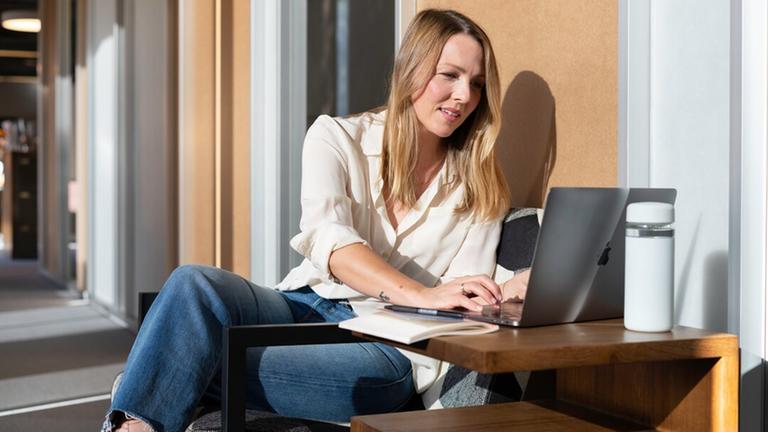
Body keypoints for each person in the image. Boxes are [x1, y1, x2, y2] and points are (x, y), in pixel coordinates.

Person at [104, 8, 530, 432]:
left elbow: (464, 295)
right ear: (411, 70)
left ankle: (150, 387)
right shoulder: (336, 137)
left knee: (187, 354)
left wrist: (507, 291)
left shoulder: (481, 187)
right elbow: (332, 242)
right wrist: (422, 292)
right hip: (303, 304)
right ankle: (144, 407)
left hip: (384, 349)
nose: (464, 96)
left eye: (476, 84)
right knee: (192, 283)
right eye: (450, 75)